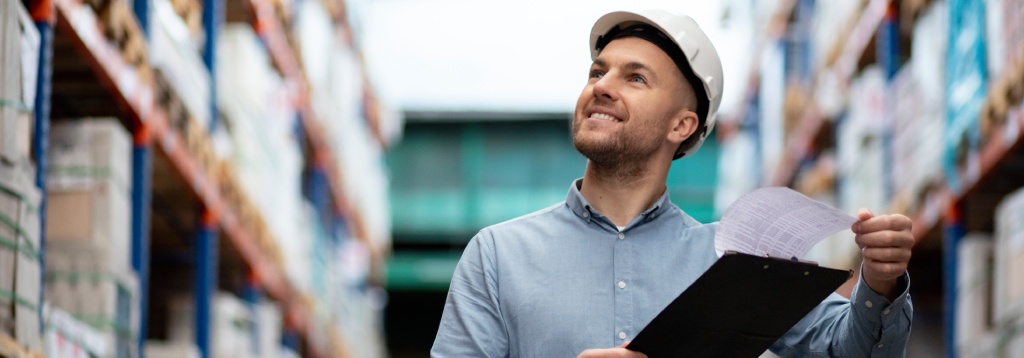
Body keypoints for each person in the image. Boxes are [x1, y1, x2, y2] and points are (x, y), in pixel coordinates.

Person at [431, 9, 914, 358]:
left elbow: (849, 352)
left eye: (634, 78)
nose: (601, 84)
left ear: (681, 126)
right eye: (598, 72)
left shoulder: (735, 263)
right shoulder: (498, 256)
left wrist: (880, 280)